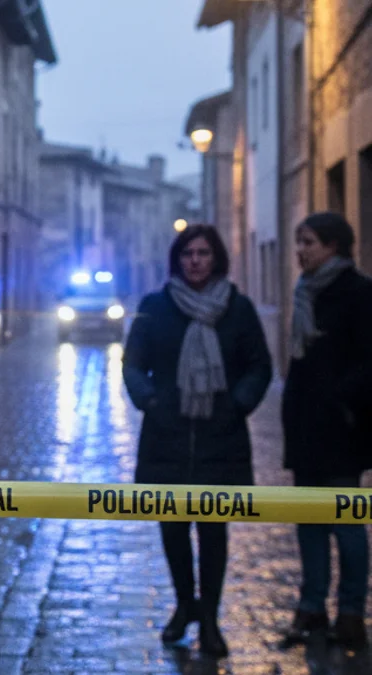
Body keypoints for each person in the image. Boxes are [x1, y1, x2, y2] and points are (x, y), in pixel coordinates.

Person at [122, 224, 272, 657]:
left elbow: (259, 366)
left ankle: (209, 617)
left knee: (213, 532)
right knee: (172, 529)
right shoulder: (155, 307)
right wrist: (150, 401)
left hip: (219, 437)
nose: (195, 261)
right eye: (188, 253)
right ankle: (184, 603)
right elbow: (133, 364)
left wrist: (238, 404)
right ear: (177, 259)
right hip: (165, 437)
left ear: (216, 258)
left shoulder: (237, 309)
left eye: (203, 253)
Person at [281, 212, 372, 648]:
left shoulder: (359, 292)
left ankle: (351, 613)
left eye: (309, 242)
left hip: (341, 430)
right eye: (299, 242)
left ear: (333, 246)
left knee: (346, 523)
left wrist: (340, 399)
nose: (300, 251)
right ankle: (312, 607)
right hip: (305, 428)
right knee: (309, 522)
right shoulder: (305, 291)